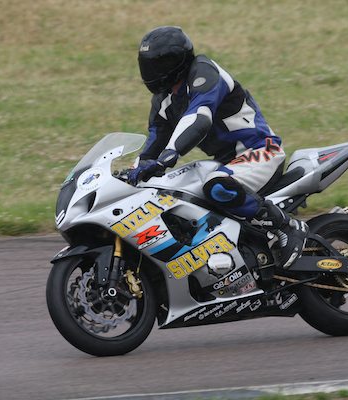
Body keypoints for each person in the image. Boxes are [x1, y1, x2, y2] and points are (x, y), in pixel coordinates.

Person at [128, 26, 307, 269]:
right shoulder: (163, 101)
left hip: (260, 151)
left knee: (217, 186)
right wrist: (133, 174)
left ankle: (286, 226)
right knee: (178, 197)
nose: (151, 72)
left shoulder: (204, 72)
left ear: (176, 61)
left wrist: (169, 155)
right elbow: (154, 142)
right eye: (147, 64)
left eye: (157, 64)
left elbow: (199, 119)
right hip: (227, 163)